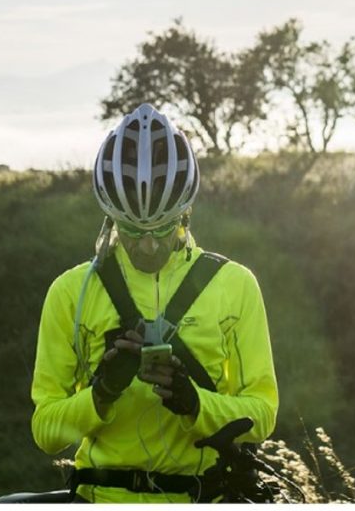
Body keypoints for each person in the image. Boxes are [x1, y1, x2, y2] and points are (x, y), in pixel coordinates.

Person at [30, 103, 278, 503]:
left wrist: (196, 403)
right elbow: (45, 430)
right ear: (110, 219)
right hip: (102, 498)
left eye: (162, 227)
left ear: (186, 213)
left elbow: (263, 414)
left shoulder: (236, 285)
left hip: (199, 497)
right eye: (131, 228)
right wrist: (101, 394)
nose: (148, 244)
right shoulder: (69, 292)